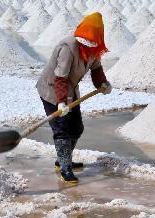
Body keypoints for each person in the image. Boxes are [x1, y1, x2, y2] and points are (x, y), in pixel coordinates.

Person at [36, 12, 112, 185]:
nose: (90, 44)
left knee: (76, 128)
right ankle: (65, 168)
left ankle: (63, 159)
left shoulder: (93, 49)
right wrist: (61, 102)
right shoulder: (68, 48)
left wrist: (103, 83)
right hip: (52, 90)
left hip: (70, 91)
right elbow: (60, 78)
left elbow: (96, 69)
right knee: (62, 130)